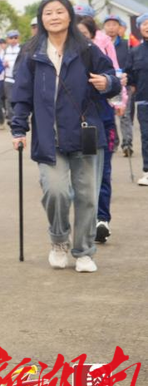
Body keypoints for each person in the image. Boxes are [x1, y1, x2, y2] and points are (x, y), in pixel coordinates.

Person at [10, 0, 119, 273]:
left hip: (85, 134)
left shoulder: (86, 49)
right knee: (55, 191)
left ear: (70, 17)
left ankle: (84, 251)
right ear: (41, 18)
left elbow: (113, 78)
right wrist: (18, 128)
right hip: (49, 137)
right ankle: (59, 241)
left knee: (87, 196)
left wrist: (107, 82)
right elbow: (21, 94)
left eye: (60, 12)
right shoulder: (31, 52)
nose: (54, 16)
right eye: (48, 13)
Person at [76, 15, 125, 244]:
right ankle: (83, 221)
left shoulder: (98, 54)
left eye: (85, 35)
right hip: (74, 126)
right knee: (81, 177)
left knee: (102, 173)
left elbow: (114, 83)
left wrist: (114, 92)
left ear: (93, 36)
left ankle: (101, 220)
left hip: (102, 122)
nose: (81, 39)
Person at [103, 15, 135, 157]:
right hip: (107, 84)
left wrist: (131, 82)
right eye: (108, 24)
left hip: (123, 84)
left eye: (114, 24)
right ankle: (113, 142)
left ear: (119, 27)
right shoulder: (101, 44)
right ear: (104, 27)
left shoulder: (126, 45)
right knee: (110, 115)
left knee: (125, 115)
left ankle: (127, 143)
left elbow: (132, 65)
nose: (111, 27)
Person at [128, 13, 148, 186]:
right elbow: (129, 75)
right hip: (143, 100)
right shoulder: (134, 52)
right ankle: (147, 171)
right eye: (144, 24)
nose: (147, 26)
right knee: (146, 136)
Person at [1, 30, 21, 119]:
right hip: (8, 79)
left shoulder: (22, 49)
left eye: (15, 38)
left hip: (19, 78)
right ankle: (12, 118)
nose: (13, 40)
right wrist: (3, 64)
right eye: (11, 38)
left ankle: (20, 116)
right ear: (7, 39)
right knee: (9, 99)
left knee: (20, 98)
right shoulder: (4, 51)